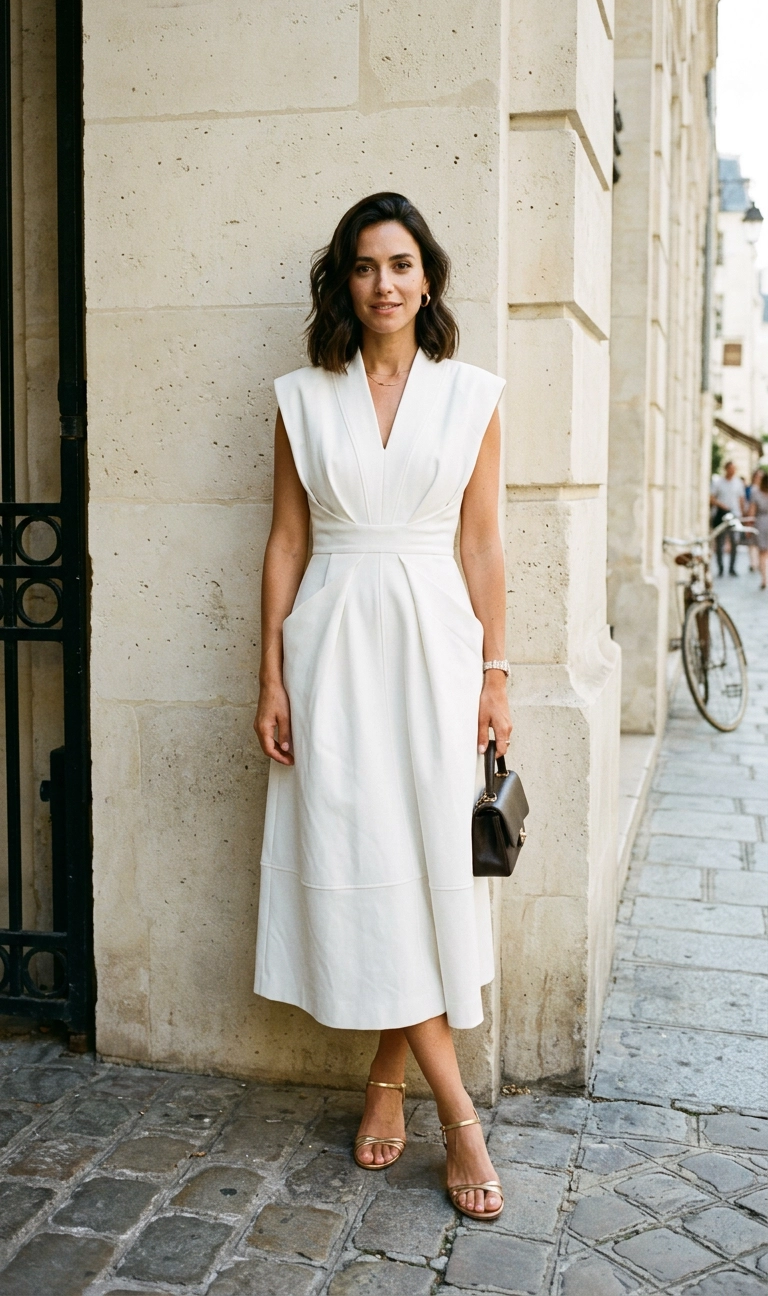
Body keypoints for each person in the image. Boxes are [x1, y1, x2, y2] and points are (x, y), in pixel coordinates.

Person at [254, 192, 511, 1220]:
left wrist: (500, 673)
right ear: (344, 282)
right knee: (364, 860)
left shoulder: (473, 394)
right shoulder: (303, 397)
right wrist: (267, 674)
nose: (385, 283)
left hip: (439, 648)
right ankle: (458, 1112)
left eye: (402, 263)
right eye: (365, 266)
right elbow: (283, 540)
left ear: (429, 276)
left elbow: (484, 543)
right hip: (332, 647)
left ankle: (394, 1081)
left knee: (423, 866)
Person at [710, 460, 746, 576]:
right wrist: (722, 505)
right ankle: (720, 567)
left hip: (735, 514)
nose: (732, 471)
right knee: (720, 542)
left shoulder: (738, 483)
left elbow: (741, 499)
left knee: (734, 541)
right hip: (722, 514)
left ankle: (732, 567)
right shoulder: (718, 482)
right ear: (726, 469)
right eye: (730, 468)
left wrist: (741, 514)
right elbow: (712, 498)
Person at [750, 470, 768, 589]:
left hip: (761, 523)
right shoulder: (756, 493)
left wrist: (749, 528)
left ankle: (764, 579)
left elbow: (752, 512)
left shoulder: (756, 494)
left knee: (763, 553)